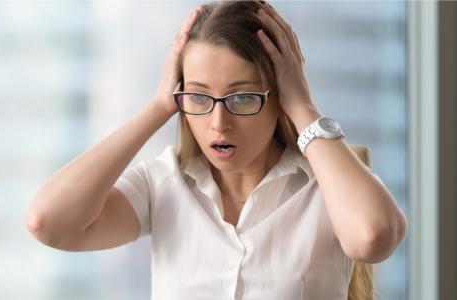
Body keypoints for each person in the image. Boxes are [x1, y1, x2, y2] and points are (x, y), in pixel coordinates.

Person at [25, 1, 407, 299]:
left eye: (242, 97)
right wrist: (158, 107)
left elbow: (372, 238)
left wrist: (303, 108)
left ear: (279, 97)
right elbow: (49, 222)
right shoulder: (163, 184)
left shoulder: (326, 185)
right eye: (199, 96)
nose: (219, 123)